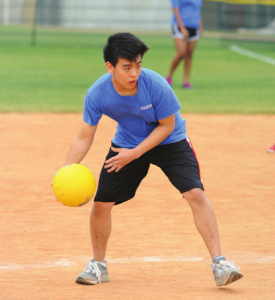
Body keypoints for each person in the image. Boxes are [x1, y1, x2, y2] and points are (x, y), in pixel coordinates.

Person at [60, 32, 243, 287]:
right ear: (110, 67)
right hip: (127, 142)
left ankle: (220, 263)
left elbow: (167, 126)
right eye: (127, 67)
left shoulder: (155, 84)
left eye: (138, 65)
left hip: (170, 141)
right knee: (102, 203)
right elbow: (83, 137)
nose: (134, 73)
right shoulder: (97, 93)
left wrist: (135, 154)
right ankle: (98, 266)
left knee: (195, 193)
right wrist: (66, 171)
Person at [166, 0, 203, 89]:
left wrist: (200, 25)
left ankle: (186, 81)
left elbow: (197, 11)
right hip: (180, 26)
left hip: (194, 26)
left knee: (189, 55)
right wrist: (182, 28)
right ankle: (169, 77)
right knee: (181, 53)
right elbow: (176, 9)